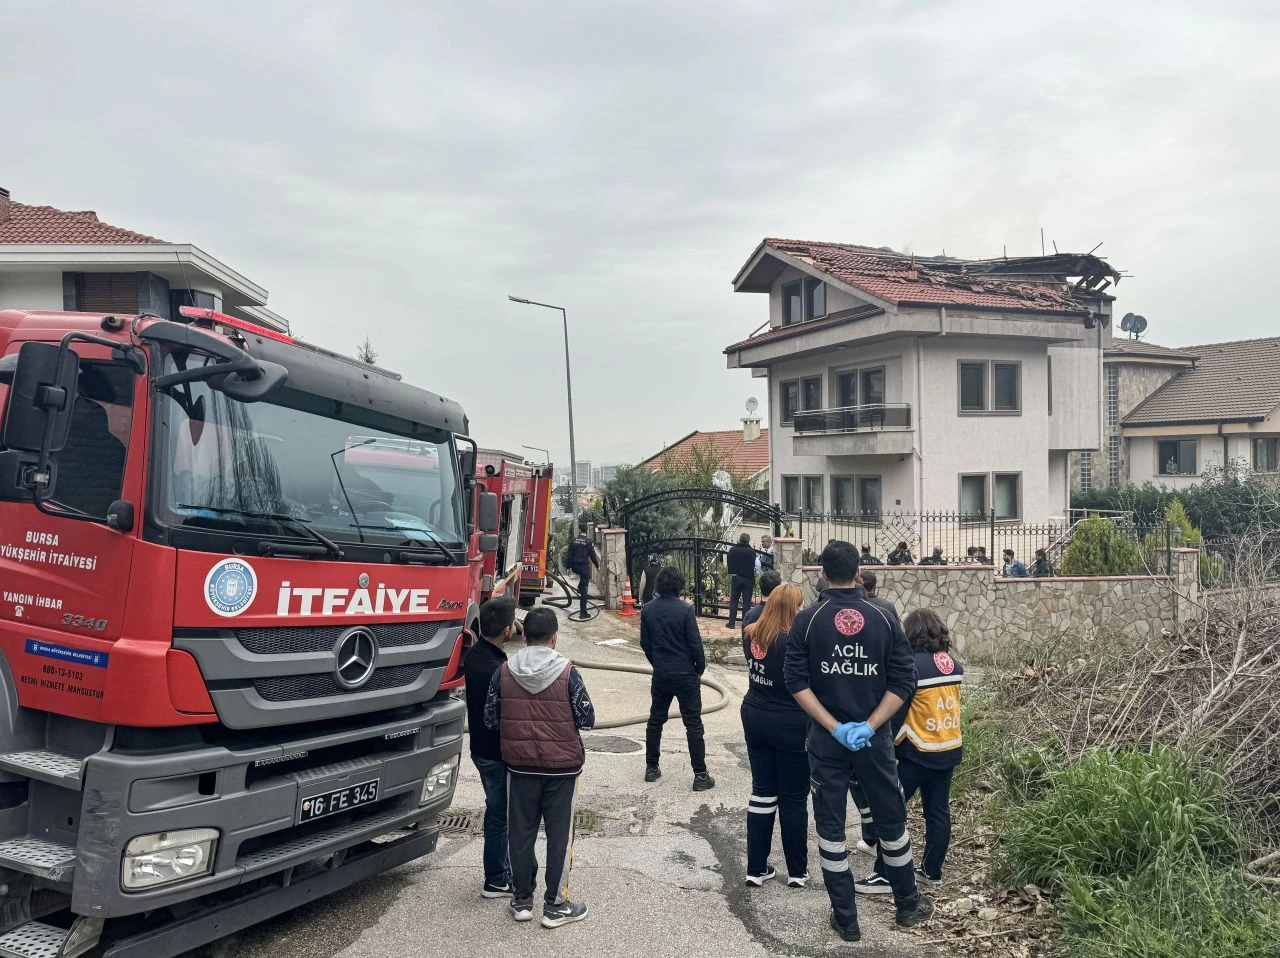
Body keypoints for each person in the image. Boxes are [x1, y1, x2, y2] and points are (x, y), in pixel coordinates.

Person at [783, 541, 933, 942]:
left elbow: (795, 682)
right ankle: (908, 904)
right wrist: (870, 726)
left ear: (822, 574)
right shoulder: (883, 616)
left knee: (831, 829)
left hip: (828, 744)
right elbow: (904, 681)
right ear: (859, 571)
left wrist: (834, 727)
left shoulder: (808, 621)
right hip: (875, 742)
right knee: (891, 821)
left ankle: (846, 919)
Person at [484, 607, 595, 928]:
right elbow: (587, 719)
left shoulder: (503, 672)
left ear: (523, 635)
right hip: (562, 769)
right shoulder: (568, 672)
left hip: (519, 767)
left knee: (520, 835)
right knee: (560, 837)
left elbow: (490, 719)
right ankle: (556, 905)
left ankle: (522, 901)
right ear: (555, 637)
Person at [858, 609, 964, 891]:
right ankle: (931, 870)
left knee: (889, 810)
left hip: (916, 750)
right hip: (948, 746)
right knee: (938, 812)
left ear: (912, 633)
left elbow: (897, 712)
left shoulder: (912, 666)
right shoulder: (953, 665)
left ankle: (884, 873)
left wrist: (883, 748)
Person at [741, 584, 809, 888]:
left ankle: (756, 868)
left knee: (762, 791)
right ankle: (797, 871)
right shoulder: (794, 640)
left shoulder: (754, 633)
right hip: (791, 722)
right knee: (793, 798)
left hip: (755, 715)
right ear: (792, 608)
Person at [640, 566, 715, 790]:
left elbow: (645, 643)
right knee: (693, 723)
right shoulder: (685, 610)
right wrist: (698, 670)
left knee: (656, 719)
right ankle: (700, 775)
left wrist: (658, 663)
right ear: (679, 585)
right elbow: (695, 645)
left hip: (662, 672)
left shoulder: (648, 610)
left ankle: (651, 767)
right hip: (685, 674)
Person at [463, 596, 518, 899]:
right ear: (508, 630)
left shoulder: (474, 656)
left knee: (497, 810)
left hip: (480, 749)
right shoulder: (499, 668)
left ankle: (500, 872)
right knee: (500, 814)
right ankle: (496, 878)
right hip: (496, 753)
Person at [566, 523, 600, 619]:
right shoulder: (588, 542)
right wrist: (597, 565)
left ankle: (580, 587)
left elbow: (570, 555)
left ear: (580, 531)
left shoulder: (574, 540)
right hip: (584, 568)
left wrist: (568, 567)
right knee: (585, 590)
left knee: (582, 584)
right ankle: (583, 613)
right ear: (587, 531)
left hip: (575, 567)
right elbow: (593, 555)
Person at [726, 533, 757, 629]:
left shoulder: (733, 550)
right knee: (746, 601)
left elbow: (729, 561)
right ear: (748, 541)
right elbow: (755, 566)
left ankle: (731, 623)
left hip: (736, 577)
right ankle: (745, 623)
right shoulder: (751, 552)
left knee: (734, 601)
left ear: (740, 540)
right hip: (748, 578)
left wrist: (732, 572)